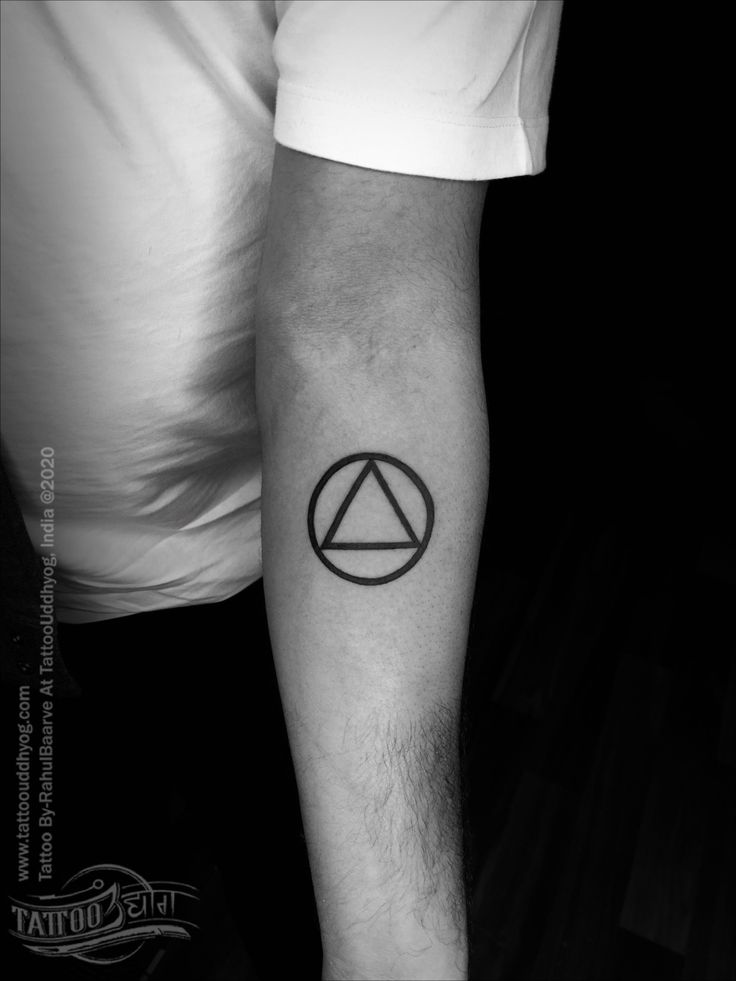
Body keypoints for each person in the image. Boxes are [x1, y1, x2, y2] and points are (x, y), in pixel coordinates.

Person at [0, 2, 563, 977]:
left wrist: (394, 958)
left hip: (261, 569)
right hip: (26, 572)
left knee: (280, 873)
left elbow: (367, 325)